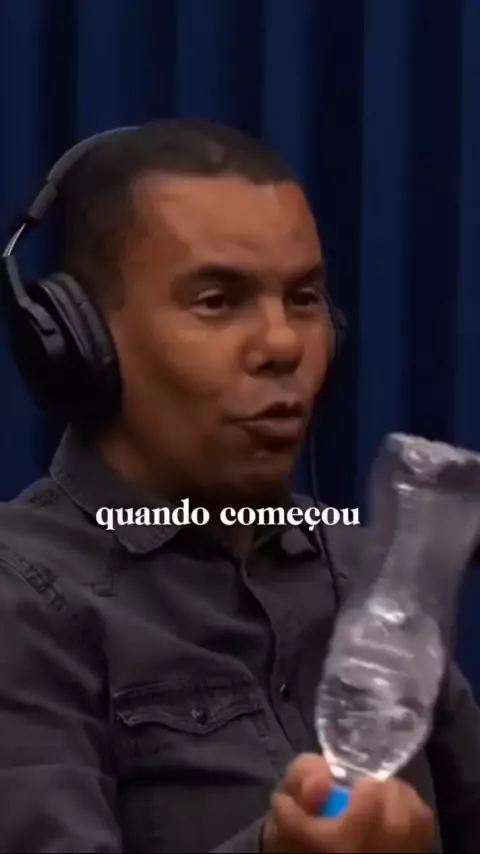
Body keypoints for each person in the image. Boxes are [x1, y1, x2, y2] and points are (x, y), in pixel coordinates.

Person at [0, 119, 478, 854]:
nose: (283, 344)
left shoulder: (363, 572)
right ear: (79, 342)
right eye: (217, 300)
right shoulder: (23, 602)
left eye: (304, 298)